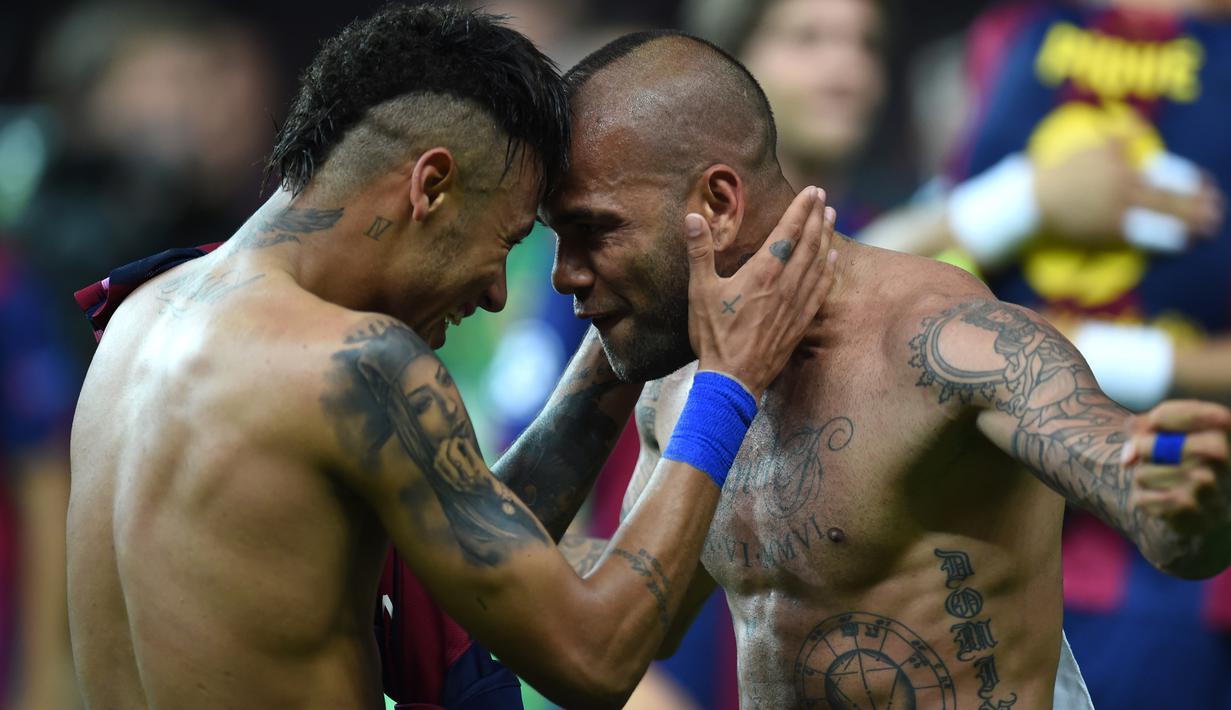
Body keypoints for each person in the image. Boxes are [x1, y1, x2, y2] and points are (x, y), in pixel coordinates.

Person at [67, 5, 841, 709]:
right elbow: (594, 657)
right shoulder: (359, 365)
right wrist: (727, 380)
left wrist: (620, 333)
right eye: (506, 240)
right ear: (431, 186)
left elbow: (469, 545)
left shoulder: (148, 309)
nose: (499, 292)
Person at [542, 30, 1231, 709]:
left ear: (718, 206)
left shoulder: (951, 342)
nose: (562, 275)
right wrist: (478, 546)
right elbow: (642, 615)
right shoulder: (681, 388)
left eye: (594, 230)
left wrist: (1189, 493)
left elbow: (1157, 512)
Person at [856, 1, 1231, 706]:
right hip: (979, 565)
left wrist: (1087, 352)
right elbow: (872, 284)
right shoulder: (1012, 37)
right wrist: (1028, 197)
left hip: (1169, 586)